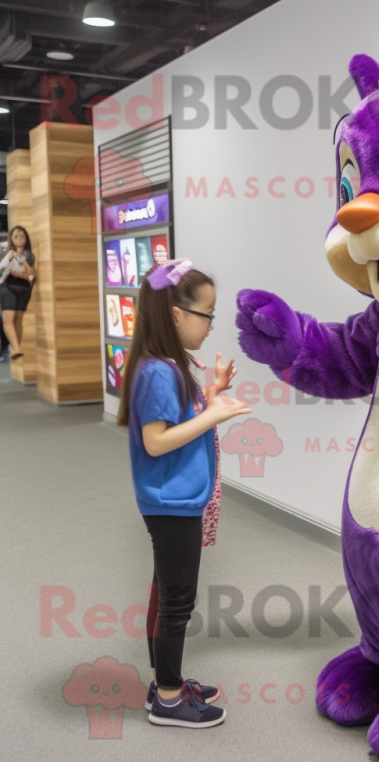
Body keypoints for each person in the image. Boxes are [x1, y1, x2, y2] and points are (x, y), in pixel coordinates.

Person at [118, 258, 250, 728]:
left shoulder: (172, 366)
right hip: (170, 501)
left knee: (164, 592)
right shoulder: (159, 371)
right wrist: (214, 415)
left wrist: (211, 395)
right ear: (176, 315)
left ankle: (165, 681)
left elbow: (180, 421)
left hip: (176, 498)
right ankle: (170, 699)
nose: (211, 325)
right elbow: (156, 441)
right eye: (207, 314)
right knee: (178, 600)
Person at [0, 226, 36, 360]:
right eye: (16, 236)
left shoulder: (30, 255)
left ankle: (16, 349)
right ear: (11, 239)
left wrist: (25, 275)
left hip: (24, 288)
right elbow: (3, 268)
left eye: (22, 236)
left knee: (18, 320)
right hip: (6, 285)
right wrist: (26, 272)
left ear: (26, 239)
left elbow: (32, 276)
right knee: (8, 318)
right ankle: (15, 348)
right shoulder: (8, 253)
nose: (19, 239)